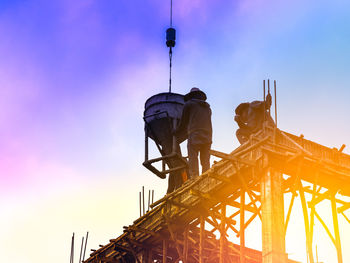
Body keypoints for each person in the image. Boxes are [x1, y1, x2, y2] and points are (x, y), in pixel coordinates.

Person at [175, 87, 212, 178]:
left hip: (195, 133)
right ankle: (206, 177)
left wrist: (176, 132)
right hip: (208, 135)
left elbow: (184, 122)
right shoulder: (208, 108)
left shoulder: (189, 104)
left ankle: (194, 177)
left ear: (191, 96)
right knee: (205, 158)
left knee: (193, 155)